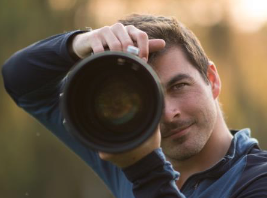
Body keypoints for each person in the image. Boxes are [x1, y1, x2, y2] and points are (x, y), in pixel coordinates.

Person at [2, 14, 267, 198]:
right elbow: (20, 80)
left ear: (212, 79)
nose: (168, 113)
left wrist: (143, 171)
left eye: (179, 86)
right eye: (150, 98)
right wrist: (79, 43)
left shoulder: (258, 181)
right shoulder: (128, 147)